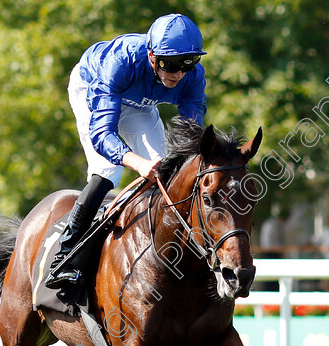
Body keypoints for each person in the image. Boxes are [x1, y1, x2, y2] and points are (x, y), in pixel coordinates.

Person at [45, 13, 207, 289]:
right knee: (110, 169)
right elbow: (102, 135)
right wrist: (139, 163)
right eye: (170, 64)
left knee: (171, 170)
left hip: (139, 104)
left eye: (188, 63)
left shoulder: (192, 78)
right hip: (93, 87)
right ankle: (65, 259)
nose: (178, 74)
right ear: (152, 56)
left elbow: (190, 139)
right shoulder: (120, 61)